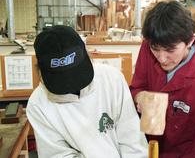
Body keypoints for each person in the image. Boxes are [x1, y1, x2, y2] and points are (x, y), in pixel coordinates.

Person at [130, 0, 195, 158]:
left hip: (187, 154)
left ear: (190, 41)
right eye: (155, 49)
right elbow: (136, 88)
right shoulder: (149, 46)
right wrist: (140, 97)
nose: (162, 58)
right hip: (144, 149)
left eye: (170, 50)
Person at [26, 25, 148, 158]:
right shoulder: (38, 104)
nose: (72, 87)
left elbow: (132, 139)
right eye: (63, 81)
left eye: (76, 75)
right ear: (41, 72)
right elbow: (57, 155)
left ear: (88, 55)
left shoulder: (112, 79)